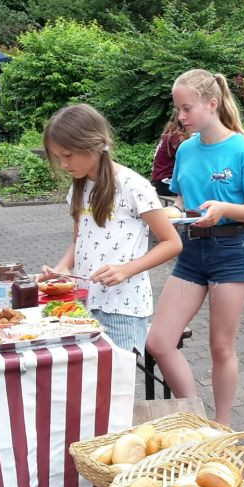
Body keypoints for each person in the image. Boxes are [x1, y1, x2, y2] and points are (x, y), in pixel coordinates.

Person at [146, 69, 244, 425]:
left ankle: (222, 427)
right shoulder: (186, 149)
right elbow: (181, 202)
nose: (181, 117)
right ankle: (196, 416)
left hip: (230, 251)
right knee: (159, 341)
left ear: (212, 104)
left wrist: (224, 209)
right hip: (190, 252)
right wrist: (166, 215)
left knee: (220, 347)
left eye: (187, 109)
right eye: (178, 109)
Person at [41, 104, 182, 352]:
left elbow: (172, 243)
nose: (63, 164)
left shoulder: (133, 185)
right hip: (83, 302)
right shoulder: (78, 188)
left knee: (117, 376)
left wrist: (126, 269)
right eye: (58, 157)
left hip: (122, 308)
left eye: (68, 155)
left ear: (94, 144)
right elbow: (79, 240)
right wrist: (63, 267)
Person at [151, 112, 191, 197]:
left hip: (159, 182)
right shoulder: (177, 137)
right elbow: (188, 162)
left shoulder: (170, 134)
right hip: (164, 182)